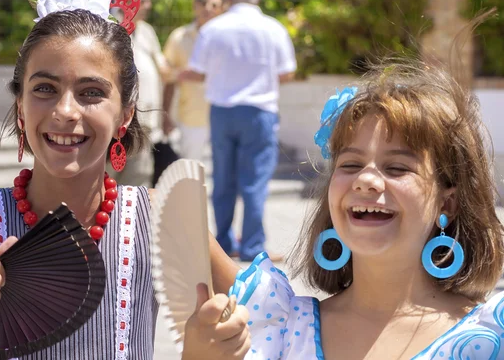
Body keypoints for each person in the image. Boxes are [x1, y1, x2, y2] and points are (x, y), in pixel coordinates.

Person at [0, 0, 249, 359]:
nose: (65, 111)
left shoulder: (161, 217)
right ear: (21, 107)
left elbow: (272, 316)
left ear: (125, 114)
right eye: (45, 88)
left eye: (91, 92)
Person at [190, 56, 504, 358]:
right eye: (350, 164)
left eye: (396, 168)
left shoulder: (489, 341)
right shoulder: (280, 329)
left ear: (446, 201)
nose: (365, 180)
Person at [180, 0, 297, 262]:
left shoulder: (213, 29)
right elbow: (287, 73)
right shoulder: (274, 28)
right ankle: (253, 246)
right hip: (259, 112)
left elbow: (198, 70)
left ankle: (222, 243)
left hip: (222, 111)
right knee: (255, 181)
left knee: (223, 179)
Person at [108, 0, 172, 188]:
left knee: (137, 185)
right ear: (124, 0)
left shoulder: (146, 31)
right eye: (143, 0)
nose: (148, 6)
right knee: (106, 182)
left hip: (144, 126)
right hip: (114, 125)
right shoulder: (107, 28)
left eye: (148, 1)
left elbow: (163, 69)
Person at [161, 0, 223, 162]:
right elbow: (168, 79)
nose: (208, 9)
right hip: (191, 120)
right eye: (203, 3)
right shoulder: (179, 37)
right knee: (191, 175)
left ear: (222, 8)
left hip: (226, 120)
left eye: (214, 5)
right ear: (195, 5)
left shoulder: (229, 38)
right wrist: (165, 117)